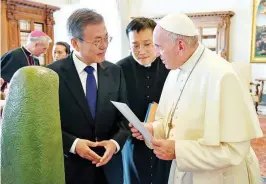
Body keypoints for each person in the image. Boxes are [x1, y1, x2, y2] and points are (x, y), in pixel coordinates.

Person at [130, 13, 263, 184]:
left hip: (218, 177)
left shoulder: (223, 75)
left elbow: (235, 150)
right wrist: (153, 129)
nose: (155, 53)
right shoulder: (175, 71)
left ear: (180, 46)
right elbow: (170, 121)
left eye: (159, 46)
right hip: (183, 172)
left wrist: (179, 151)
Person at [47, 9, 129, 184]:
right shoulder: (51, 75)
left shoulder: (115, 72)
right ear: (75, 44)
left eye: (106, 38)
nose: (104, 45)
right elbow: (44, 125)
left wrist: (114, 144)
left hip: (110, 170)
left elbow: (124, 120)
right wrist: (74, 144)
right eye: (97, 41)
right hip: (69, 170)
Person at [117, 17, 171, 184]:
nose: (141, 50)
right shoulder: (118, 69)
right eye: (135, 45)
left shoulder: (170, 65)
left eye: (147, 44)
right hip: (133, 142)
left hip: (164, 141)